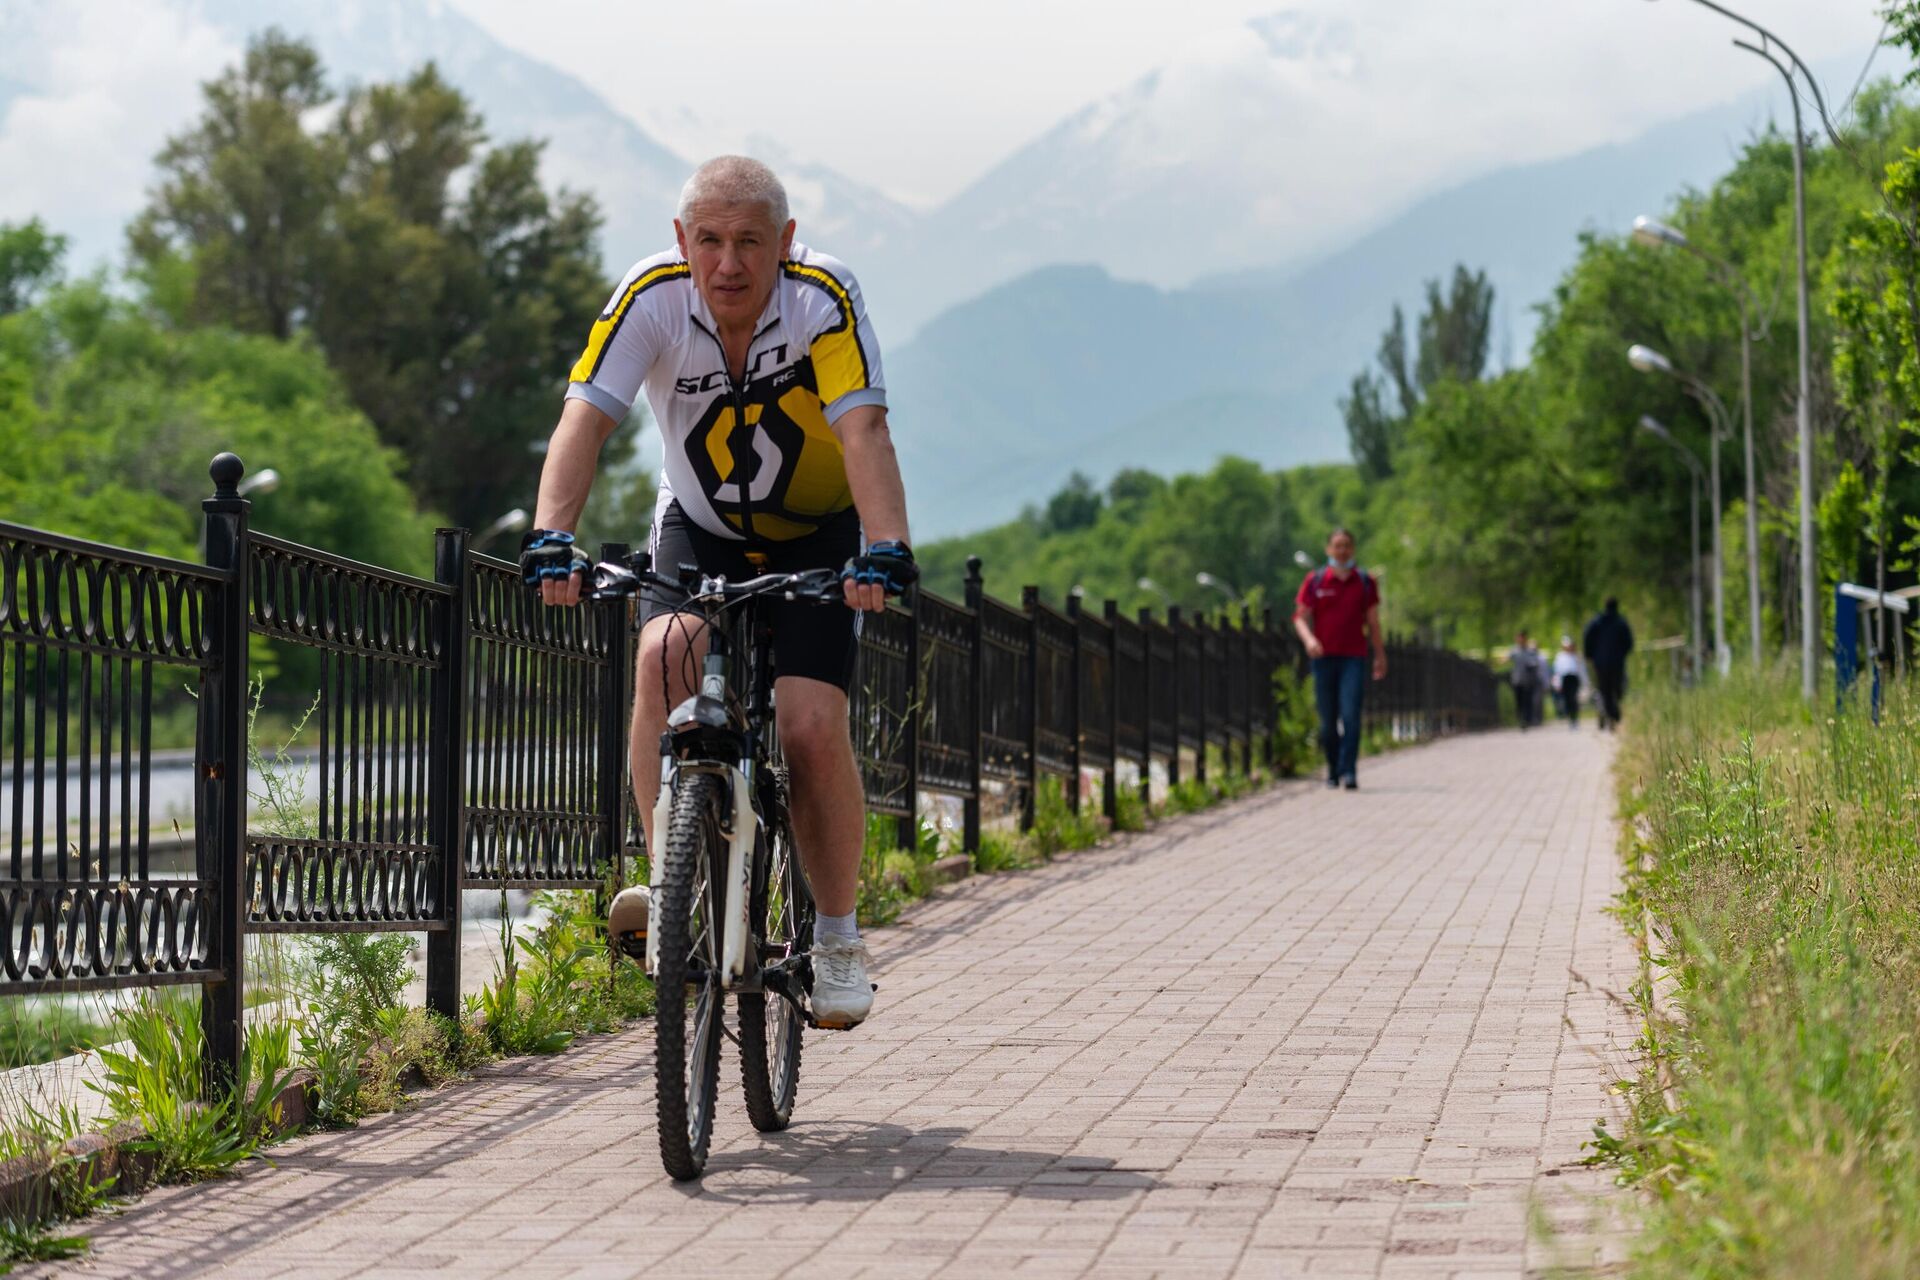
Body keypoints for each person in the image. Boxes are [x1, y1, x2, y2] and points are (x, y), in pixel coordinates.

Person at [520, 157, 914, 1029]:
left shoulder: (821, 296)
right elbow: (584, 418)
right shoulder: (653, 295)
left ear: (785, 242)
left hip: (817, 532)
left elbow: (865, 429)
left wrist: (885, 550)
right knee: (664, 656)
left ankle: (840, 939)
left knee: (811, 725)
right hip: (699, 527)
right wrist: (552, 536)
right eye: (709, 240)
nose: (727, 263)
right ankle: (670, 891)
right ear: (680, 240)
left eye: (748, 242)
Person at [1293, 528, 1386, 790]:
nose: (1342, 550)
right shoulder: (1316, 580)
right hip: (1323, 660)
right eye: (1337, 546)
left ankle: (1350, 771)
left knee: (1351, 715)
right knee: (1327, 720)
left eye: (1346, 545)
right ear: (1328, 550)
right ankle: (1333, 768)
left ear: (1353, 549)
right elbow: (1300, 617)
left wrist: (1380, 655)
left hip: (1353, 658)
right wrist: (1309, 640)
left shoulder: (1365, 582)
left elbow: (1374, 623)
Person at [1582, 597, 1635, 731]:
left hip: (1600, 663)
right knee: (1617, 688)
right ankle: (1613, 714)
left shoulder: (1596, 622)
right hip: (1617, 662)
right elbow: (1629, 643)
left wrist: (1589, 655)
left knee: (1604, 689)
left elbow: (1587, 638)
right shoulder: (1621, 622)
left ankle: (1609, 713)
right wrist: (1623, 654)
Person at [1508, 631, 1546, 729]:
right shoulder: (1514, 651)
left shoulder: (1530, 651)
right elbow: (1506, 659)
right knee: (1519, 701)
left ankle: (1526, 720)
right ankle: (1521, 719)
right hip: (1517, 680)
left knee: (1527, 701)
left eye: (1522, 638)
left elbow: (1535, 663)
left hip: (1528, 681)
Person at [1551, 635, 1585, 728]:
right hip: (1565, 680)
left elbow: (1582, 670)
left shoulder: (1577, 656)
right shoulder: (1560, 657)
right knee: (1567, 700)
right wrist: (1557, 684)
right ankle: (1571, 718)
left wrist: (1585, 682)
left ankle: (1575, 718)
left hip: (1574, 679)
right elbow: (1557, 671)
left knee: (1574, 699)